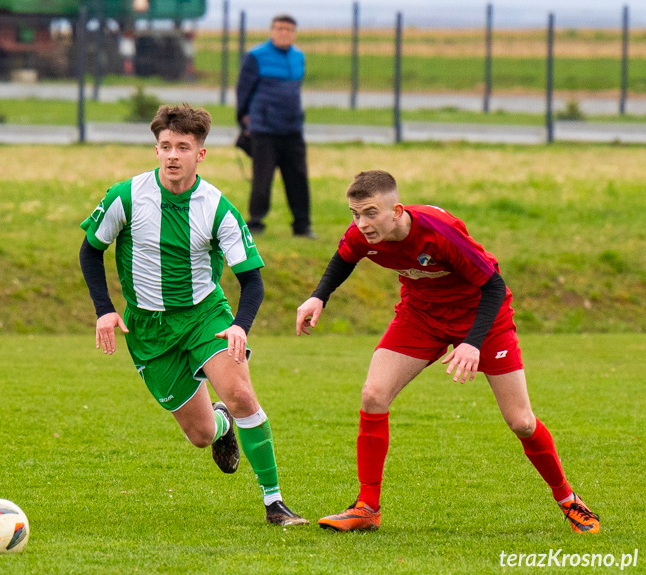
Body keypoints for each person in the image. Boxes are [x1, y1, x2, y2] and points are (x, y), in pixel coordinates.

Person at [295, 170, 600, 534]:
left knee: (522, 421)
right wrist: (318, 296)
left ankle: (569, 500)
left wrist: (472, 342)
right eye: (354, 214)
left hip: (483, 317)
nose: (361, 223)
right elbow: (343, 259)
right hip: (421, 315)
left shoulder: (438, 233)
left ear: (396, 211)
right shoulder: (362, 235)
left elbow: (493, 286)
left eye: (370, 213)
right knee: (373, 394)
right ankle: (367, 508)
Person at [79, 103, 307, 527]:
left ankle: (274, 502)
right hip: (149, 329)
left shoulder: (217, 207)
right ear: (156, 149)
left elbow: (252, 280)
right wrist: (105, 310)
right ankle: (221, 425)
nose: (171, 155)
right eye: (164, 146)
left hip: (205, 316)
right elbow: (91, 250)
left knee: (240, 394)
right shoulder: (125, 196)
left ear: (200, 153)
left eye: (182, 147)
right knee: (200, 435)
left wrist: (240, 325)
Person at [236, 14, 314, 239]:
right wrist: (244, 119)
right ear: (271, 30)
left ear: (294, 33)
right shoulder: (256, 56)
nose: (283, 33)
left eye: (288, 29)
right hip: (264, 129)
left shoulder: (299, 57)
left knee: (298, 177)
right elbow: (243, 90)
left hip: (292, 129)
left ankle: (302, 225)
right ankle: (256, 222)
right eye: (279, 28)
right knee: (262, 178)